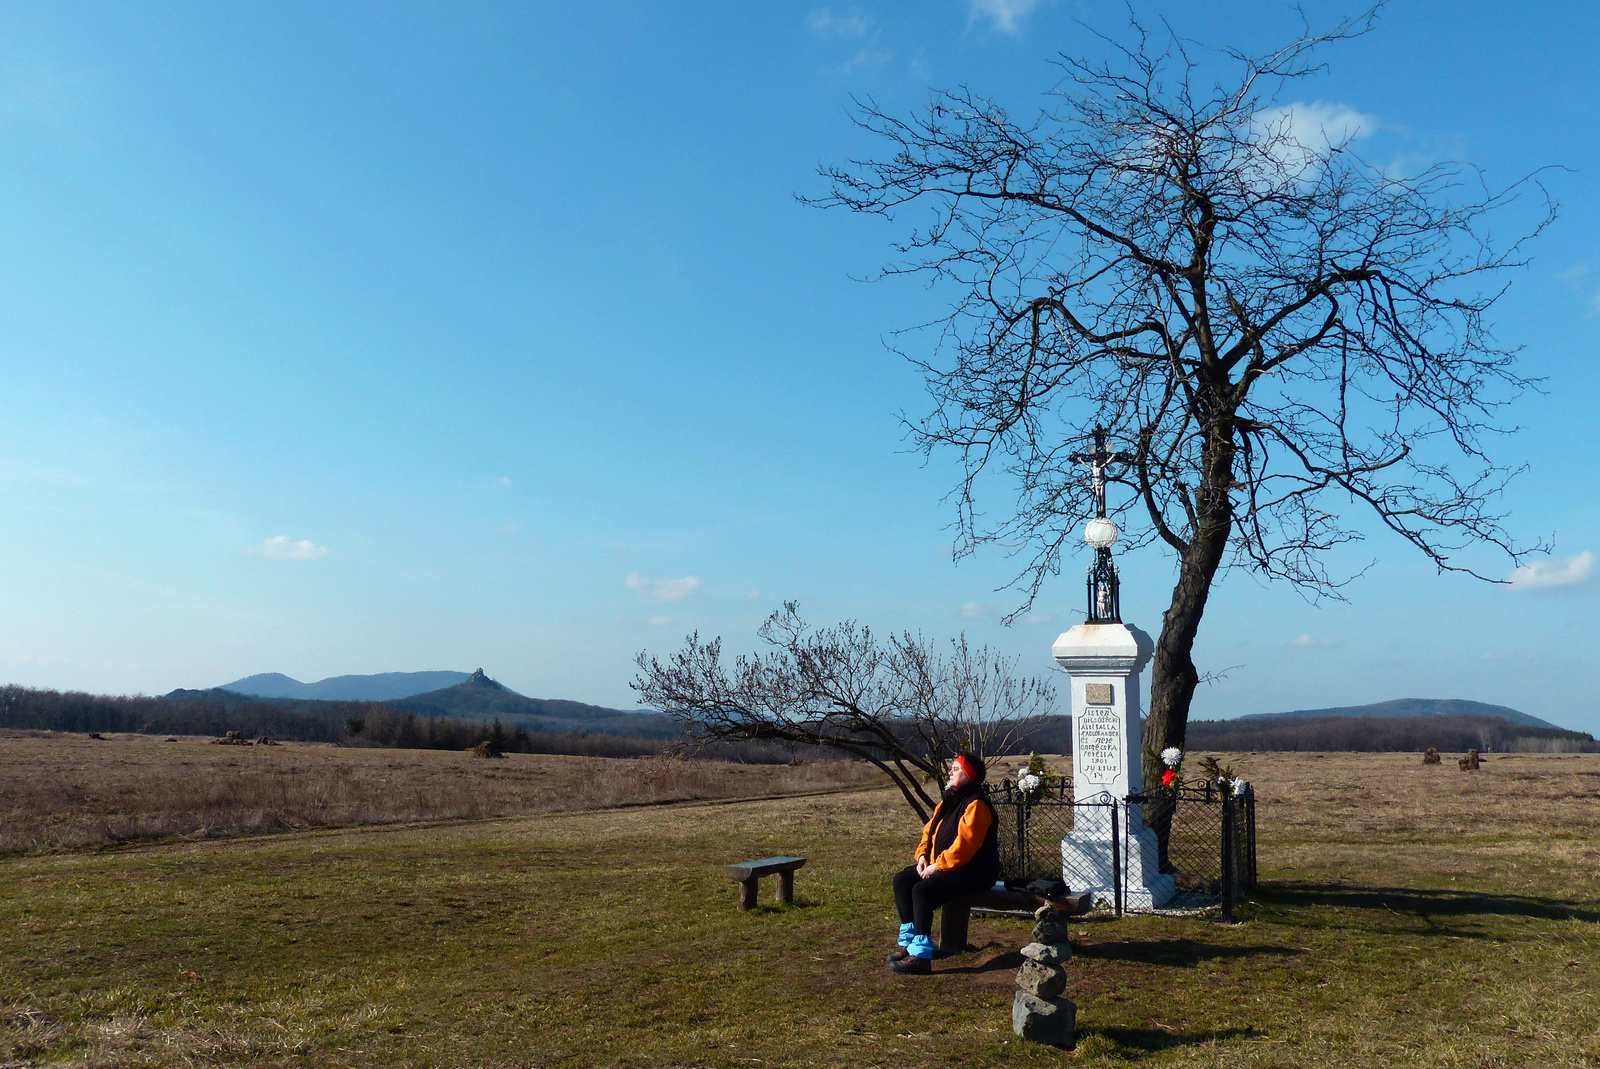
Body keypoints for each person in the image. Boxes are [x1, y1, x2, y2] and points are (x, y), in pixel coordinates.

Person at [887, 750, 1000, 974]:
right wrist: (922, 857)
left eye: (956, 769)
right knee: (902, 880)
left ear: (969, 775)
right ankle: (910, 946)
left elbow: (964, 848)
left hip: (972, 873)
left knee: (922, 890)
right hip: (946, 867)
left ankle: (921, 958)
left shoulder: (977, 805)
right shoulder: (948, 800)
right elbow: (929, 832)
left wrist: (936, 866)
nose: (950, 771)